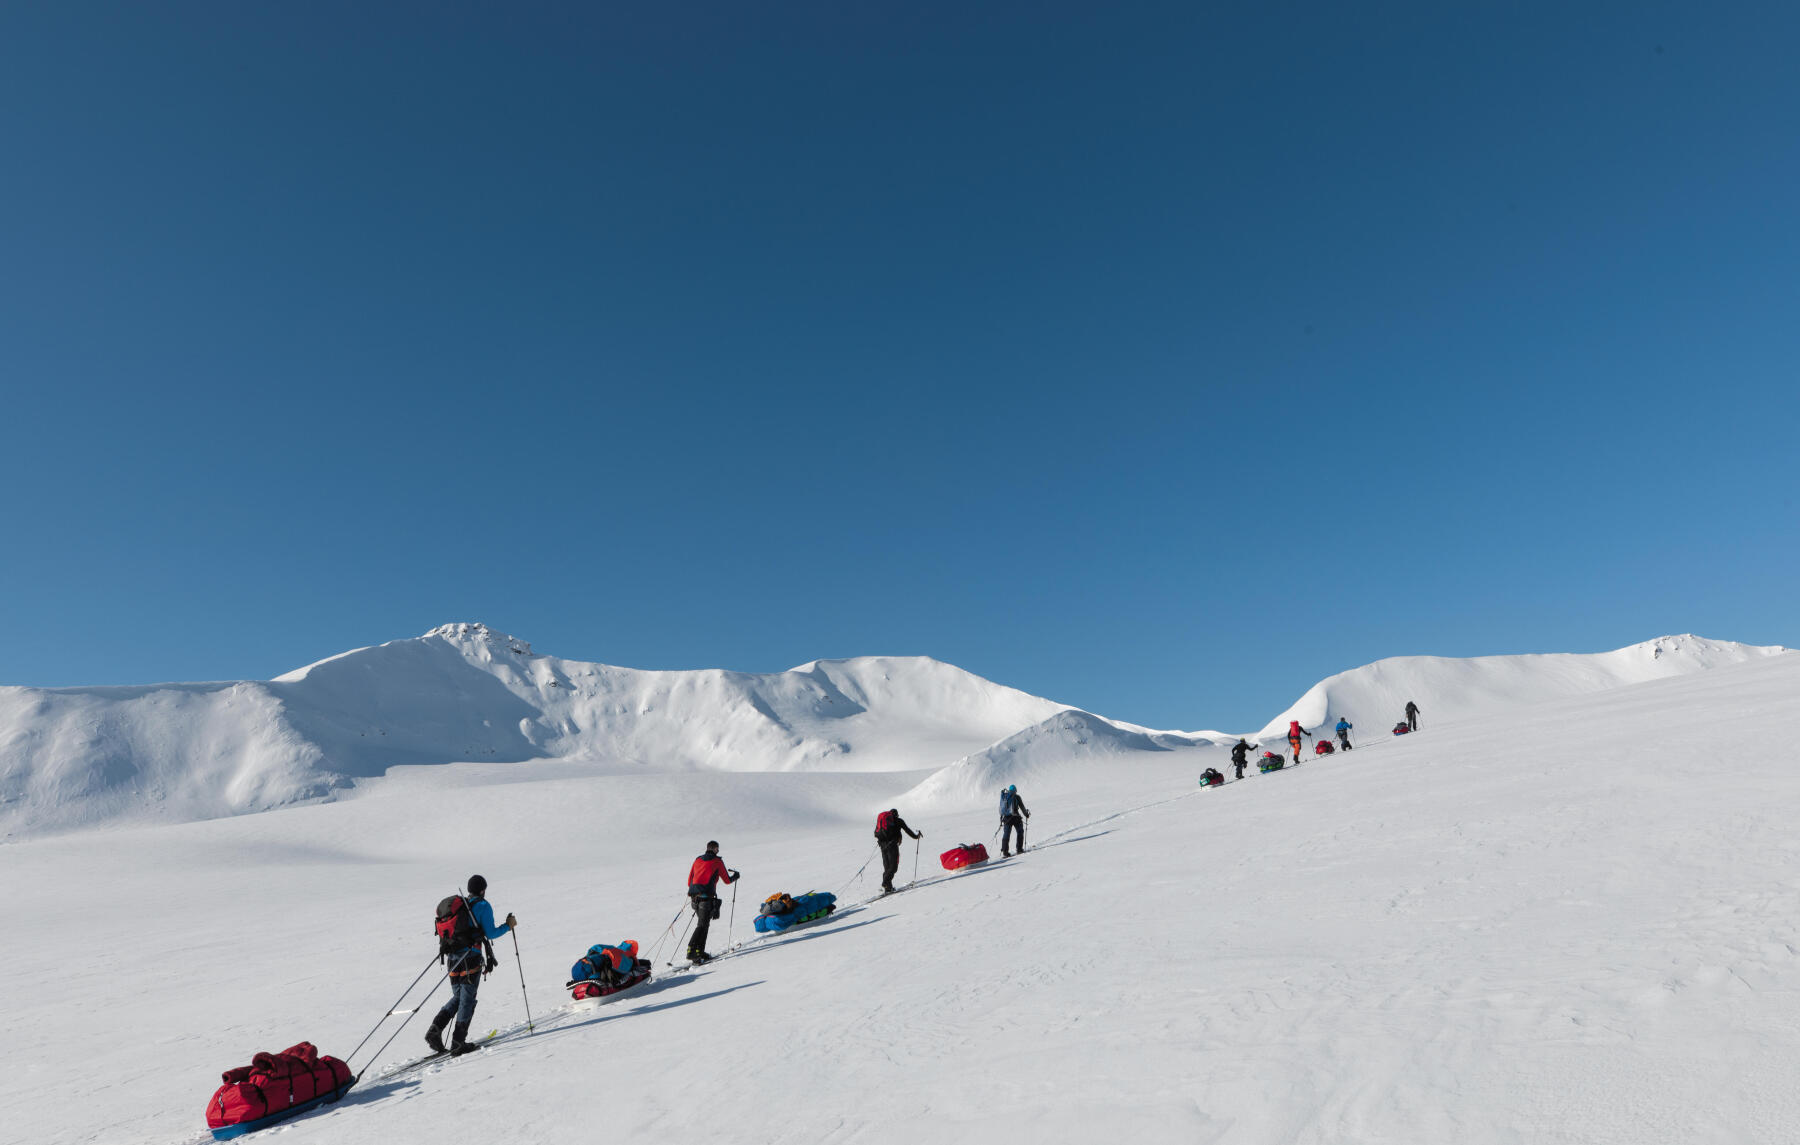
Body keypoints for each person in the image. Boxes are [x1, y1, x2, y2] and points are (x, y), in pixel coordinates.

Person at [427, 875, 515, 1057]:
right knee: (466, 999)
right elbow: (490, 933)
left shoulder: (461, 906)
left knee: (459, 997)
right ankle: (458, 1042)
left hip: (452, 958)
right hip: (470, 957)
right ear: (482, 889)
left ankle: (434, 1031)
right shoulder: (482, 905)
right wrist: (508, 926)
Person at [685, 841, 738, 963]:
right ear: (715, 849)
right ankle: (692, 951)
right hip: (706, 899)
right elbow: (727, 880)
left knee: (704, 924)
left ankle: (700, 951)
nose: (718, 851)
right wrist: (736, 876)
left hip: (694, 899)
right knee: (702, 925)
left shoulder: (697, 859)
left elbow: (689, 881)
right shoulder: (717, 861)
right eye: (717, 849)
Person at [873, 808, 922, 893]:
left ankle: (888, 888)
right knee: (893, 867)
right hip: (892, 845)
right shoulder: (899, 821)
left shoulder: (884, 822)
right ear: (896, 815)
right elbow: (907, 830)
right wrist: (916, 836)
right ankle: (885, 882)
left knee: (887, 867)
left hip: (882, 845)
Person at [999, 785, 1031, 856]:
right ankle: (1019, 849)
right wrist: (1026, 814)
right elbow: (1022, 807)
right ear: (1015, 790)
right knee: (1020, 832)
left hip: (1006, 818)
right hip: (1016, 818)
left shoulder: (1005, 797)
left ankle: (1005, 852)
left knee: (1006, 834)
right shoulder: (1017, 797)